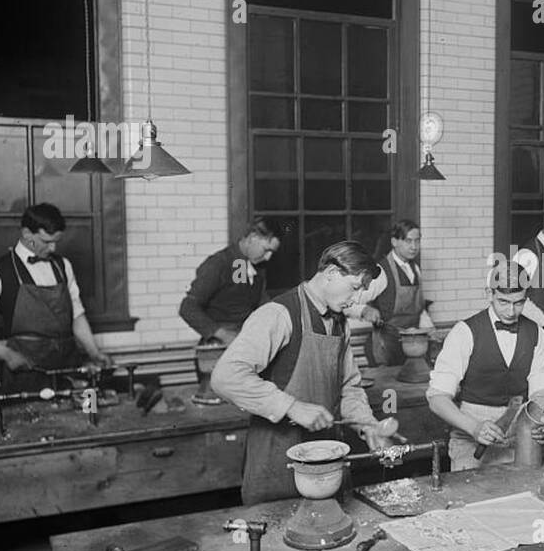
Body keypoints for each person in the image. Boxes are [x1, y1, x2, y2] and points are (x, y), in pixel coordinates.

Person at [211, 240, 389, 506]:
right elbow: (226, 377)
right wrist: (292, 406)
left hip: (328, 458)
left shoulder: (340, 322)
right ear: (330, 273)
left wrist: (367, 424)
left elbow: (349, 387)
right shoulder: (279, 314)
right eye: (354, 288)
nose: (356, 299)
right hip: (277, 459)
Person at [0, 203, 113, 392]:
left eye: (56, 242)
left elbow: (76, 315)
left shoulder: (63, 266)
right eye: (46, 242)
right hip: (25, 377)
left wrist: (94, 352)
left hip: (69, 372)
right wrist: (6, 354)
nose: (53, 248)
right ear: (27, 234)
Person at [427, 267, 544, 471]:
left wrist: (542, 421)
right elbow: (437, 399)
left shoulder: (536, 333)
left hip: (519, 438)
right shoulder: (464, 332)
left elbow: (542, 391)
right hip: (470, 441)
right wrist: (474, 427)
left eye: (519, 303)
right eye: (503, 302)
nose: (511, 311)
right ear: (489, 294)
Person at [179, 217, 281, 345]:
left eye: (272, 252)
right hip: (218, 346)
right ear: (252, 237)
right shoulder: (218, 264)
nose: (268, 257)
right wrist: (223, 335)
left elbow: (255, 302)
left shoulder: (251, 266)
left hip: (244, 341)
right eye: (266, 250)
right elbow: (187, 308)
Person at [351, 219, 434, 365]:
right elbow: (349, 301)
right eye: (408, 241)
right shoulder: (381, 271)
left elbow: (419, 309)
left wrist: (430, 329)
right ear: (394, 241)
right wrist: (364, 310)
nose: (414, 247)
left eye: (417, 241)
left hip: (411, 345)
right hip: (386, 347)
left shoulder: (415, 270)